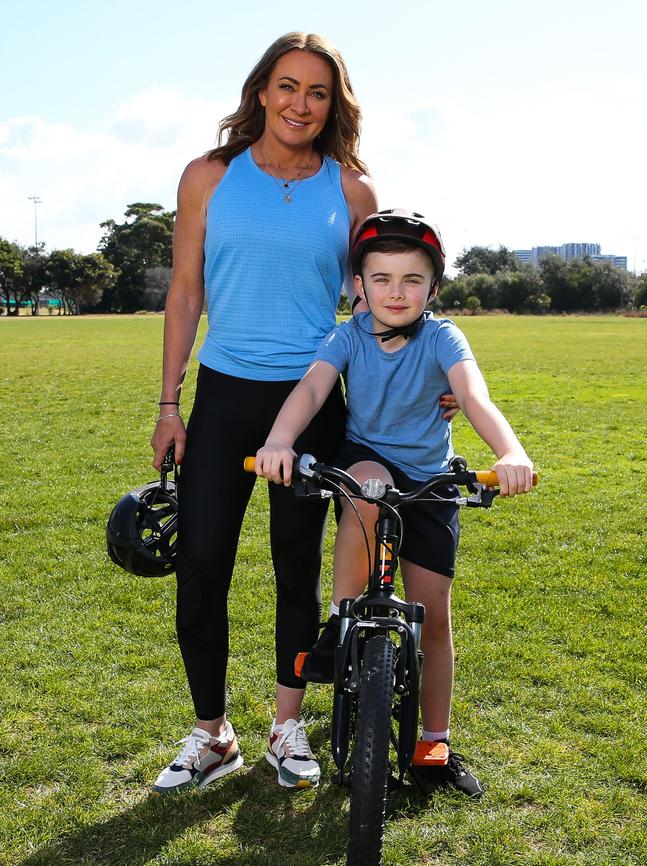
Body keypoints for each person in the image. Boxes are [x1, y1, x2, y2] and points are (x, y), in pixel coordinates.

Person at [149, 32, 380, 794]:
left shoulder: (349, 191)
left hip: (311, 402)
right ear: (260, 92)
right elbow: (185, 294)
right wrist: (169, 403)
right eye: (287, 87)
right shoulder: (208, 177)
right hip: (222, 396)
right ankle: (212, 734)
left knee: (296, 568)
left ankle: (288, 726)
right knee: (202, 563)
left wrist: (426, 379)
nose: (300, 104)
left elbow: (375, 307)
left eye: (317, 93)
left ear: (332, 107)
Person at [255, 209, 535, 798]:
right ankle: (341, 619)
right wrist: (280, 440)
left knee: (433, 615)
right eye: (380, 278)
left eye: (412, 279)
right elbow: (311, 386)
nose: (396, 291)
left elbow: (473, 396)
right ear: (359, 286)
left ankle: (434, 741)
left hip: (430, 475)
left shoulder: (443, 336)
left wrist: (509, 451)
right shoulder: (348, 334)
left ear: (434, 286)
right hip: (370, 458)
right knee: (368, 484)